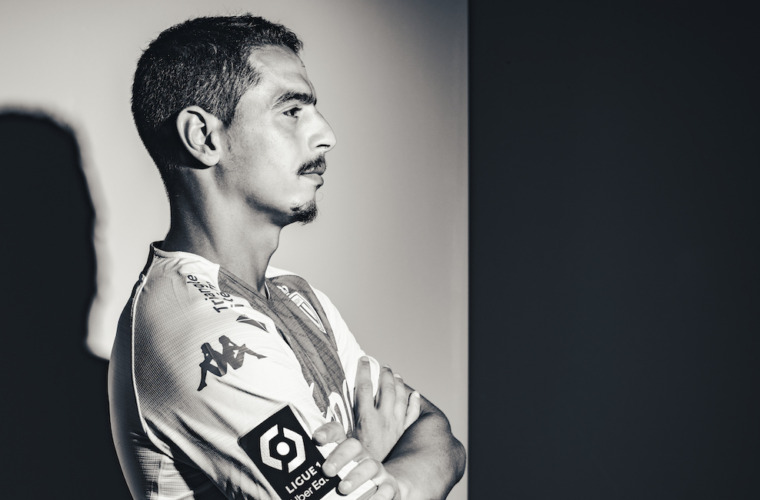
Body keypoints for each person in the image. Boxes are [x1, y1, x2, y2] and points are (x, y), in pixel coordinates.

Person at [108, 14, 466, 500]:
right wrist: (376, 455)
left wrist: (394, 482)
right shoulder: (198, 330)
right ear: (204, 137)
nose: (326, 135)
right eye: (292, 111)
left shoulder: (296, 295)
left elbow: (441, 435)